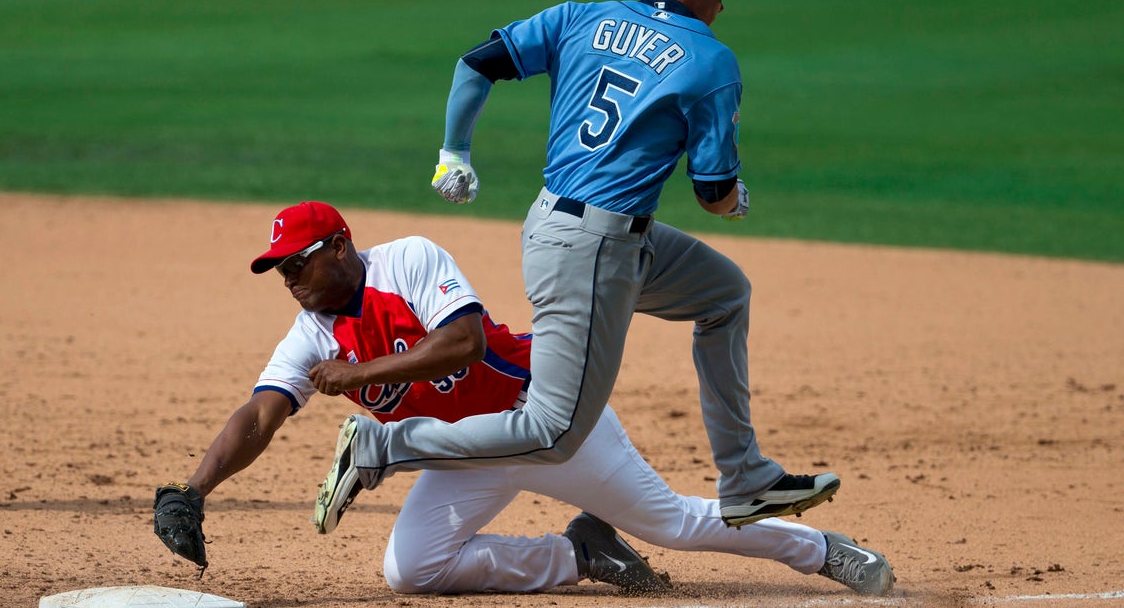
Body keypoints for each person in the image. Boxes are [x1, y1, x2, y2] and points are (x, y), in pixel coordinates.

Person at [318, 0, 840, 535]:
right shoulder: (711, 61)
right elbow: (712, 192)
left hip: (578, 230)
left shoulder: (578, 18)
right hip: (594, 252)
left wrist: (454, 153)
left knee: (725, 294)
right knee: (553, 431)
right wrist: (735, 201)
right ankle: (381, 448)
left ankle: (744, 478)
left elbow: (477, 62)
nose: (723, 1)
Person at [152, 201, 895, 597]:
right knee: (411, 571)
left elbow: (466, 344)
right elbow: (259, 414)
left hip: (547, 415)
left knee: (672, 521)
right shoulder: (309, 333)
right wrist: (194, 490)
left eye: (298, 262)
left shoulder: (406, 260)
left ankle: (826, 552)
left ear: (341, 246)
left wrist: (364, 371)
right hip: (464, 456)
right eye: (280, 269)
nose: (289, 278)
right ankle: (577, 553)